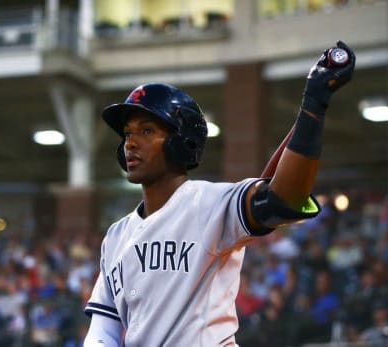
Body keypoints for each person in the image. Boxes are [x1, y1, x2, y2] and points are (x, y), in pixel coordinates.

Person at [83, 41, 355, 346]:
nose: (130, 143)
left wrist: (314, 106)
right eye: (128, 134)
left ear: (180, 142)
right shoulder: (116, 237)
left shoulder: (209, 203)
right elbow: (103, 331)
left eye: (146, 131)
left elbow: (283, 198)